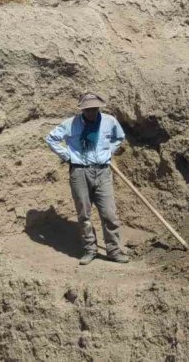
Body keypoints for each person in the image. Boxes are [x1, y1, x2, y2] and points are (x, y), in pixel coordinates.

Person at [45, 92, 129, 265]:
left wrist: (108, 151)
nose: (91, 112)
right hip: (79, 172)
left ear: (99, 107)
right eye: (88, 109)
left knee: (109, 213)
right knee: (84, 214)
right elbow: (51, 139)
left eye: (94, 109)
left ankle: (113, 250)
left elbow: (119, 137)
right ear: (82, 110)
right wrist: (67, 156)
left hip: (103, 171)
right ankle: (90, 249)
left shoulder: (109, 121)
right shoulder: (71, 124)